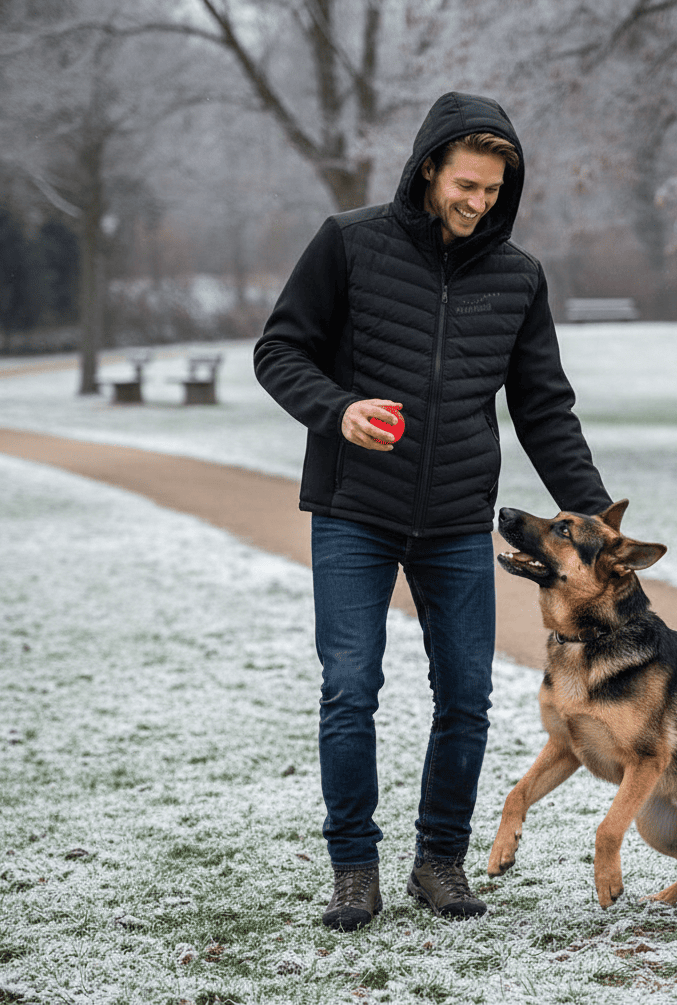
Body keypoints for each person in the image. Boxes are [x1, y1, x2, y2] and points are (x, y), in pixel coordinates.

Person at [254, 91, 611, 931]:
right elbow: (279, 349)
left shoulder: (518, 278)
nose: (477, 202)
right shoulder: (348, 243)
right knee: (350, 688)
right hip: (354, 508)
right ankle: (354, 869)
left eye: (492, 190)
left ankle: (440, 863)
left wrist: (594, 514)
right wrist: (337, 410)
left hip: (455, 518)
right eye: (465, 184)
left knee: (467, 696)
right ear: (428, 171)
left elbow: (544, 407)